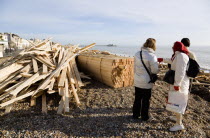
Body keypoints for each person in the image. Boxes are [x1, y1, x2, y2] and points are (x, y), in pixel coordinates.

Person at [158, 42, 190, 131]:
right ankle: (177, 118)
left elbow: (180, 71)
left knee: (178, 102)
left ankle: (179, 124)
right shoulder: (179, 55)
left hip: (180, 84)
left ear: (176, 48)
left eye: (173, 46)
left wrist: (177, 84)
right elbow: (172, 61)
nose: (172, 47)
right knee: (175, 100)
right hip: (178, 82)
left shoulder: (181, 56)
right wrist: (162, 59)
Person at [133, 38, 159, 121]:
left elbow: (134, 67)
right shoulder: (152, 56)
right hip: (146, 81)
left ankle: (135, 114)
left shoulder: (137, 54)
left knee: (137, 98)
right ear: (153, 46)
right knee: (146, 100)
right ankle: (145, 116)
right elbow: (154, 70)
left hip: (137, 79)